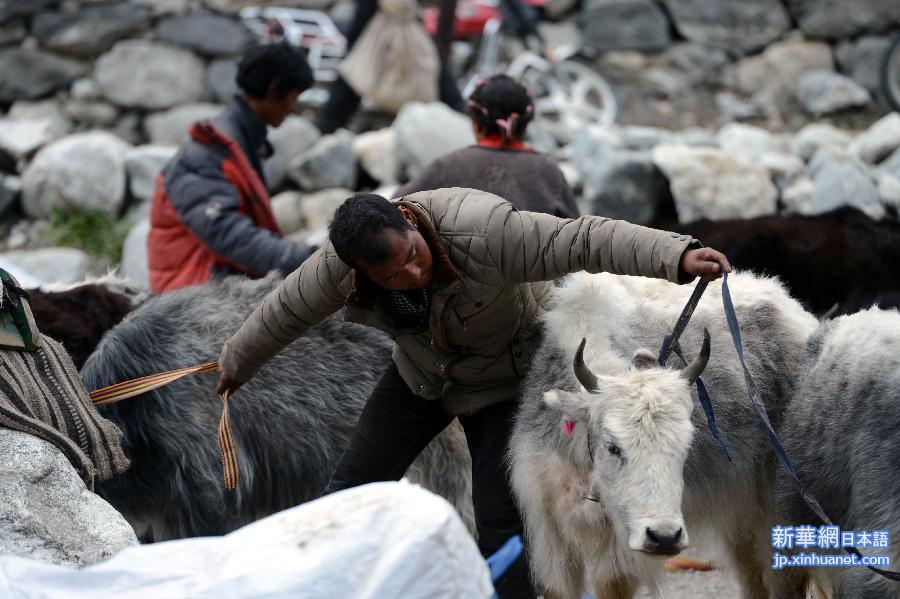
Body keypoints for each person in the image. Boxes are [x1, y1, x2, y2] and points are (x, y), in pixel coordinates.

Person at [216, 189, 731, 597]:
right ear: (360, 272)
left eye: (412, 257)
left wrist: (677, 256)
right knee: (350, 486)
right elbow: (284, 310)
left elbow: (582, 238)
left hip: (504, 382)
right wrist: (234, 366)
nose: (411, 274)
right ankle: (318, 586)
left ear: (410, 223)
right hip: (421, 376)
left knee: (501, 518)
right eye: (391, 278)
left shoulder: (484, 230)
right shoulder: (337, 268)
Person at [147, 43, 316, 294]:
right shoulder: (206, 153)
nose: (294, 108)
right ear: (273, 90)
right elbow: (232, 238)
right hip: (187, 293)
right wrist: (310, 259)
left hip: (211, 280)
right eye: (294, 97)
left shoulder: (240, 142)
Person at [396, 74, 579, 218]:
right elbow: (575, 232)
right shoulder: (546, 168)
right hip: (534, 266)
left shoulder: (447, 165)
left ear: (475, 123)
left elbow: (394, 207)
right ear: (526, 123)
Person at [316, 0, 464, 134]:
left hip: (398, 20)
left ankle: (327, 129)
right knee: (354, 70)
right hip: (383, 21)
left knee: (354, 70)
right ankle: (328, 130)